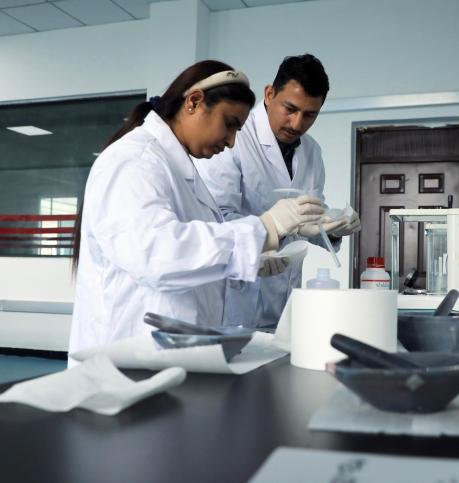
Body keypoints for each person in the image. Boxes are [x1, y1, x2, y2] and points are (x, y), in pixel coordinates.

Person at [68, 60, 325, 357]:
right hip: (125, 357)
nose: (231, 142)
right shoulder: (135, 161)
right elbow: (158, 254)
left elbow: (192, 252)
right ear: (193, 102)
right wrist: (264, 229)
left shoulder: (178, 168)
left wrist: (250, 259)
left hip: (167, 355)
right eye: (229, 124)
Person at [195, 54, 360, 328]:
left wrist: (330, 228)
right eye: (290, 109)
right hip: (238, 296)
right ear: (269, 94)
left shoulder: (312, 151)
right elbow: (215, 217)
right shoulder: (234, 137)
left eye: (310, 115)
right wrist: (268, 231)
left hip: (284, 297)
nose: (297, 124)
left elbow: (307, 218)